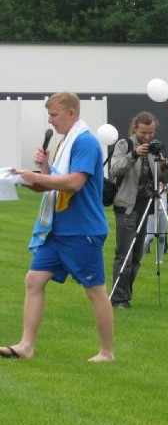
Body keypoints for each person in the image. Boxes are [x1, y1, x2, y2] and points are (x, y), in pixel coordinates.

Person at [1, 92, 114, 361]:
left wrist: (35, 176)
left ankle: (107, 352)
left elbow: (74, 183)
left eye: (54, 114)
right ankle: (26, 346)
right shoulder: (67, 141)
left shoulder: (85, 142)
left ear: (71, 113)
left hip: (82, 230)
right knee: (34, 279)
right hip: (59, 229)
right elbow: (51, 186)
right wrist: (33, 174)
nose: (50, 121)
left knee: (94, 290)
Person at [110, 111, 168, 309]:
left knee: (137, 256)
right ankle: (119, 298)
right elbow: (115, 168)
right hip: (127, 206)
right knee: (125, 255)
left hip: (146, 206)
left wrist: (164, 164)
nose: (147, 137)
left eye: (151, 132)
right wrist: (135, 154)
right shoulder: (124, 145)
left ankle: (125, 294)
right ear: (135, 128)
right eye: (144, 132)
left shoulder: (155, 148)